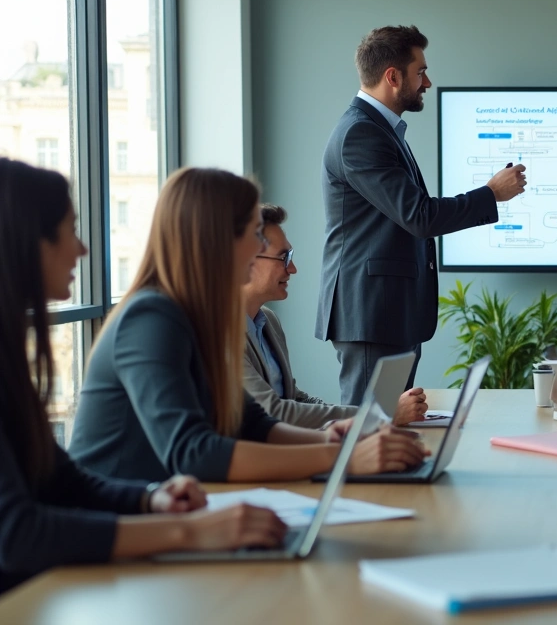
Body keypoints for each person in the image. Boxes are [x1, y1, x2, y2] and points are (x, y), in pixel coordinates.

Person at [0, 159, 288, 592]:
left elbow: (59, 478)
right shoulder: (151, 317)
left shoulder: (10, 355)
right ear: (27, 242)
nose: (82, 248)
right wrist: (192, 532)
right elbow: (16, 534)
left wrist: (150, 499)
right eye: (68, 229)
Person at [69, 168, 429, 483]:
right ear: (218, 241)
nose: (261, 247)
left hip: (166, 505)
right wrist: (343, 456)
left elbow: (252, 423)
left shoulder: (195, 318)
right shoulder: (150, 318)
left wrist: (338, 437)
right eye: (256, 234)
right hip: (122, 520)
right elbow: (194, 451)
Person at [315, 24, 527, 404]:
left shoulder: (382, 130)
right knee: (369, 431)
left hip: (389, 311)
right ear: (392, 77)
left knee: (390, 429)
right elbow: (420, 216)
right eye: (421, 71)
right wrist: (491, 194)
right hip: (372, 313)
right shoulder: (361, 135)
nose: (427, 82)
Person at [243, 204, 427, 429]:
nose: (292, 269)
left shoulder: (268, 321)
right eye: (283, 257)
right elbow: (274, 412)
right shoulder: (218, 336)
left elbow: (294, 398)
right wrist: (378, 415)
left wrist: (365, 416)